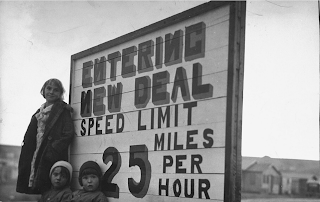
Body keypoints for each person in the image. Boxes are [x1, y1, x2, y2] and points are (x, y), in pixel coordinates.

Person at [16, 78, 75, 194]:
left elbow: (68, 134)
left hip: (50, 156)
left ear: (60, 94)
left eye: (56, 90)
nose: (51, 92)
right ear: (43, 90)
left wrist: (52, 150)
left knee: (50, 188)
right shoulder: (39, 113)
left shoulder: (62, 111)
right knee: (38, 187)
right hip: (36, 153)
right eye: (49, 88)